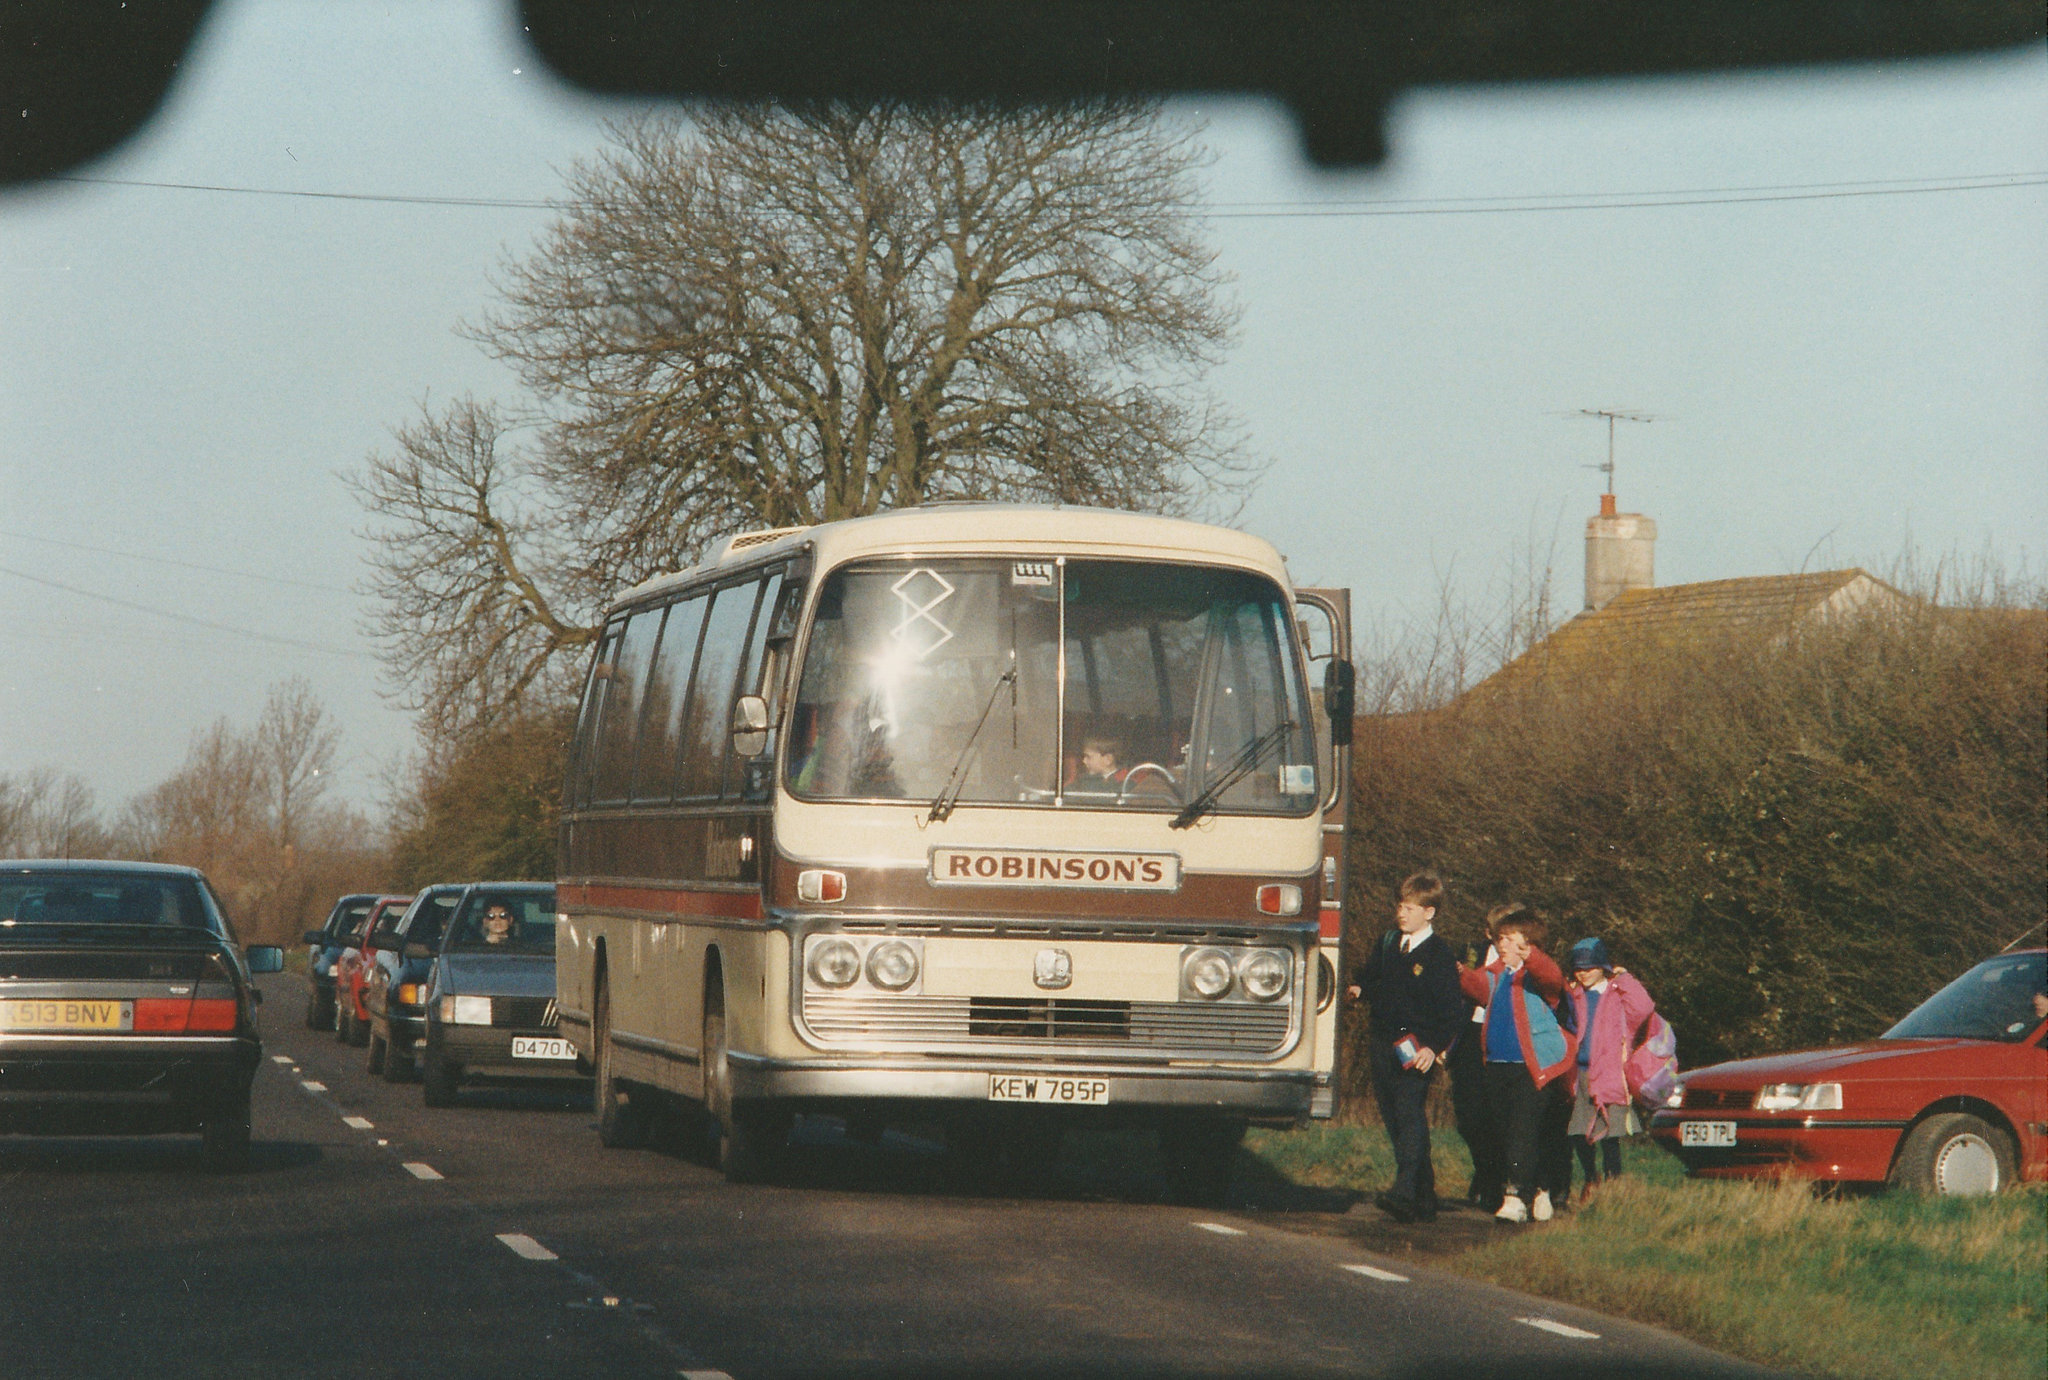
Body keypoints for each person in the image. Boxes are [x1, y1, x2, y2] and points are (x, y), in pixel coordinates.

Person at [1348, 870, 1466, 1223]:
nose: (1403, 914)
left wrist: (1433, 1048)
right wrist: (1359, 990)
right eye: (1401, 906)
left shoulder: (1439, 955)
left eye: (1411, 908)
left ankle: (1404, 1188)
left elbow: (1451, 1012)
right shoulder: (1388, 944)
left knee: (1409, 1112)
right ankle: (1424, 1195)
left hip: (1416, 1049)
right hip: (1383, 1042)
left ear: (1429, 912)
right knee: (1393, 1117)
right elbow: (1376, 981)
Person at [1458, 906, 1574, 1224]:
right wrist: (1455, 971)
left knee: (1523, 1131)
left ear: (1528, 943)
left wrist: (1531, 956)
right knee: (1504, 1131)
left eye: (1510, 939)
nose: (1502, 945)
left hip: (1531, 1066)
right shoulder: (1496, 973)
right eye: (1500, 939)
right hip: (1497, 1064)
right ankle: (1538, 1187)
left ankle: (1515, 1198)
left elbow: (1552, 978)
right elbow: (1474, 987)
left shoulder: (1538, 976)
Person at [1558, 936, 1655, 1198]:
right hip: (1581, 1072)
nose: (1584, 973)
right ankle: (1591, 1177)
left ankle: (1614, 1184)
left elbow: (1644, 1007)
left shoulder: (1617, 993)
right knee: (1579, 1131)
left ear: (1602, 966)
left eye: (1589, 968)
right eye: (1579, 968)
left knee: (1611, 1136)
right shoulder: (1575, 994)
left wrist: (1625, 979)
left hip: (1611, 1073)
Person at [1448, 905, 1513, 1212]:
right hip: (1470, 1036)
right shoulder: (1472, 952)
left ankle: (1494, 1178)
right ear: (1488, 934)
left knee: (1497, 1113)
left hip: (1503, 1037)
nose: (1503, 943)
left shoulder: (1521, 960)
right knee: (1468, 1115)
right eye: (1498, 936)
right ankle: (1487, 1170)